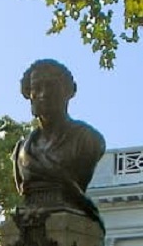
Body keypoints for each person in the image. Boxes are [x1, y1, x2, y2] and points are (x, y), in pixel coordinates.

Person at [12, 59, 106, 222]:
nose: (44, 94)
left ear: (68, 92)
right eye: (36, 88)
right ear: (29, 94)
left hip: (70, 218)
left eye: (51, 86)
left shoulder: (88, 140)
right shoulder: (21, 150)